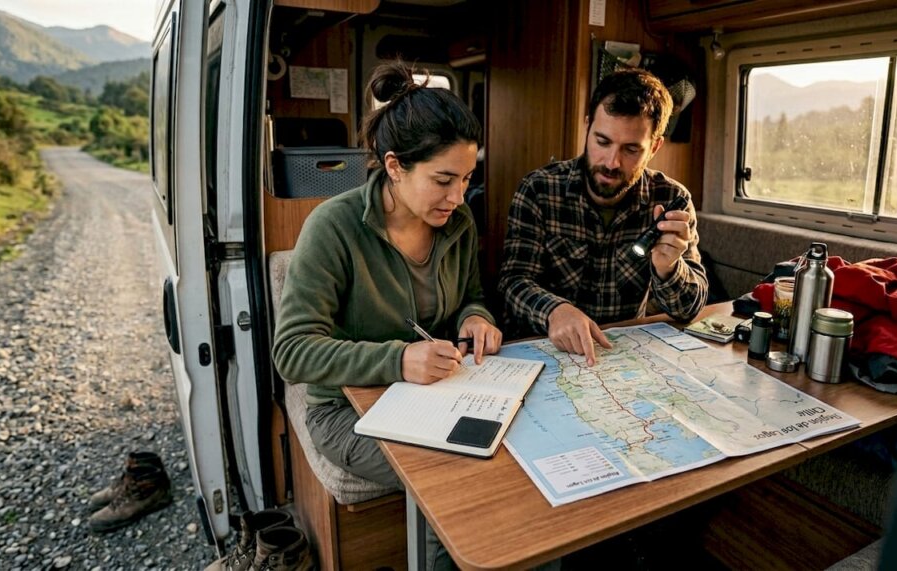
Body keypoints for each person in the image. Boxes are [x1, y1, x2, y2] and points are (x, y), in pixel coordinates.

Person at [272, 61, 501, 569]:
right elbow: (291, 353)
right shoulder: (332, 227)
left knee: (505, 454)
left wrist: (475, 320)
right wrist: (398, 361)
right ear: (395, 166)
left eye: (466, 179)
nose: (458, 197)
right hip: (348, 410)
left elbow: (472, 295)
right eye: (443, 179)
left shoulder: (457, 221)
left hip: (438, 391)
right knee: (455, 471)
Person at [498, 68, 709, 365]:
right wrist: (555, 310)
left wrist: (669, 268)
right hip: (544, 352)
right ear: (587, 127)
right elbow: (513, 281)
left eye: (631, 149)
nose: (612, 162)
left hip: (620, 355)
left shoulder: (672, 200)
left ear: (655, 147)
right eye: (602, 141)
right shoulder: (539, 189)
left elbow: (690, 308)